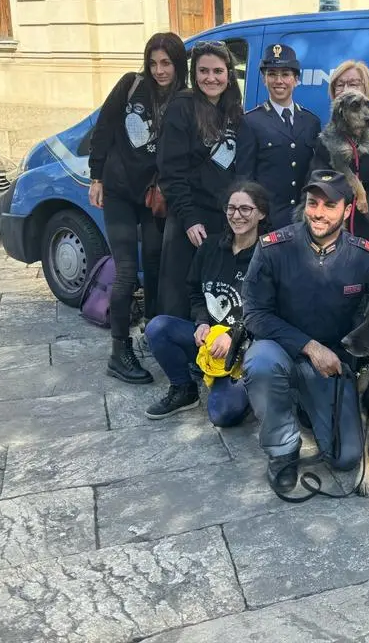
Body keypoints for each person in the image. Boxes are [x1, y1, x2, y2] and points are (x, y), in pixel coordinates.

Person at [242, 169, 369, 493]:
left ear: (347, 210)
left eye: (329, 205)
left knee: (346, 457)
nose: (318, 213)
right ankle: (282, 451)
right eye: (312, 203)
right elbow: (254, 314)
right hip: (281, 350)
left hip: (331, 366)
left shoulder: (363, 256)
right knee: (261, 364)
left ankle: (305, 403)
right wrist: (309, 346)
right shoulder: (273, 249)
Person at [88, 32, 188, 384]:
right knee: (127, 270)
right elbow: (103, 127)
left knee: (158, 263)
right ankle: (119, 350)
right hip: (118, 191)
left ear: (178, 64)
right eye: (154, 62)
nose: (159, 70)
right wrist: (96, 176)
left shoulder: (184, 99)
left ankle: (156, 334)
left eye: (167, 63)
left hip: (152, 197)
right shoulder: (131, 86)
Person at [143, 181, 270, 420]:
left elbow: (268, 312)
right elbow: (195, 292)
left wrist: (232, 336)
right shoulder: (210, 247)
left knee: (222, 415)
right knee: (158, 327)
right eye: (231, 208)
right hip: (209, 339)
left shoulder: (268, 256)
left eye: (245, 209)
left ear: (261, 213)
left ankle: (248, 386)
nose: (237, 215)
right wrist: (201, 321)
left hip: (244, 348)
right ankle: (184, 389)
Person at [156, 41, 255, 320]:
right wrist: (189, 218)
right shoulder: (182, 108)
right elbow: (171, 171)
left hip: (222, 219)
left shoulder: (234, 112)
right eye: (203, 71)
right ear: (194, 74)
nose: (211, 78)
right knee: (183, 290)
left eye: (218, 71)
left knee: (214, 292)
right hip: (190, 220)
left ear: (229, 74)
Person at [312, 60, 369, 268]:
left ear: (366, 89)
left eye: (353, 83)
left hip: (366, 223)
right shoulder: (332, 129)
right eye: (339, 85)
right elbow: (315, 173)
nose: (345, 89)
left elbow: (362, 171)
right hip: (331, 224)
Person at [238, 43, 321, 228]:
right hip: (268, 222)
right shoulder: (251, 122)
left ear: (296, 79)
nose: (279, 80)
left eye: (285, 74)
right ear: (263, 79)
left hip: (304, 220)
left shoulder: (311, 122)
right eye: (272, 74)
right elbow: (245, 178)